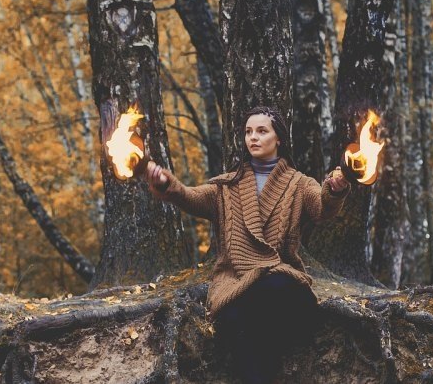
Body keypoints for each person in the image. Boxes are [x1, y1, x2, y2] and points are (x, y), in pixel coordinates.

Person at [144, 106, 350, 383]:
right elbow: (189, 197)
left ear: (279, 139)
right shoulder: (226, 186)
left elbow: (323, 208)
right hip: (235, 281)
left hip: (280, 282)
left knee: (270, 292)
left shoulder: (299, 184)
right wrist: (166, 183)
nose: (253, 137)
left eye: (262, 131)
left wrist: (335, 188)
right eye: (248, 132)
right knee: (239, 317)